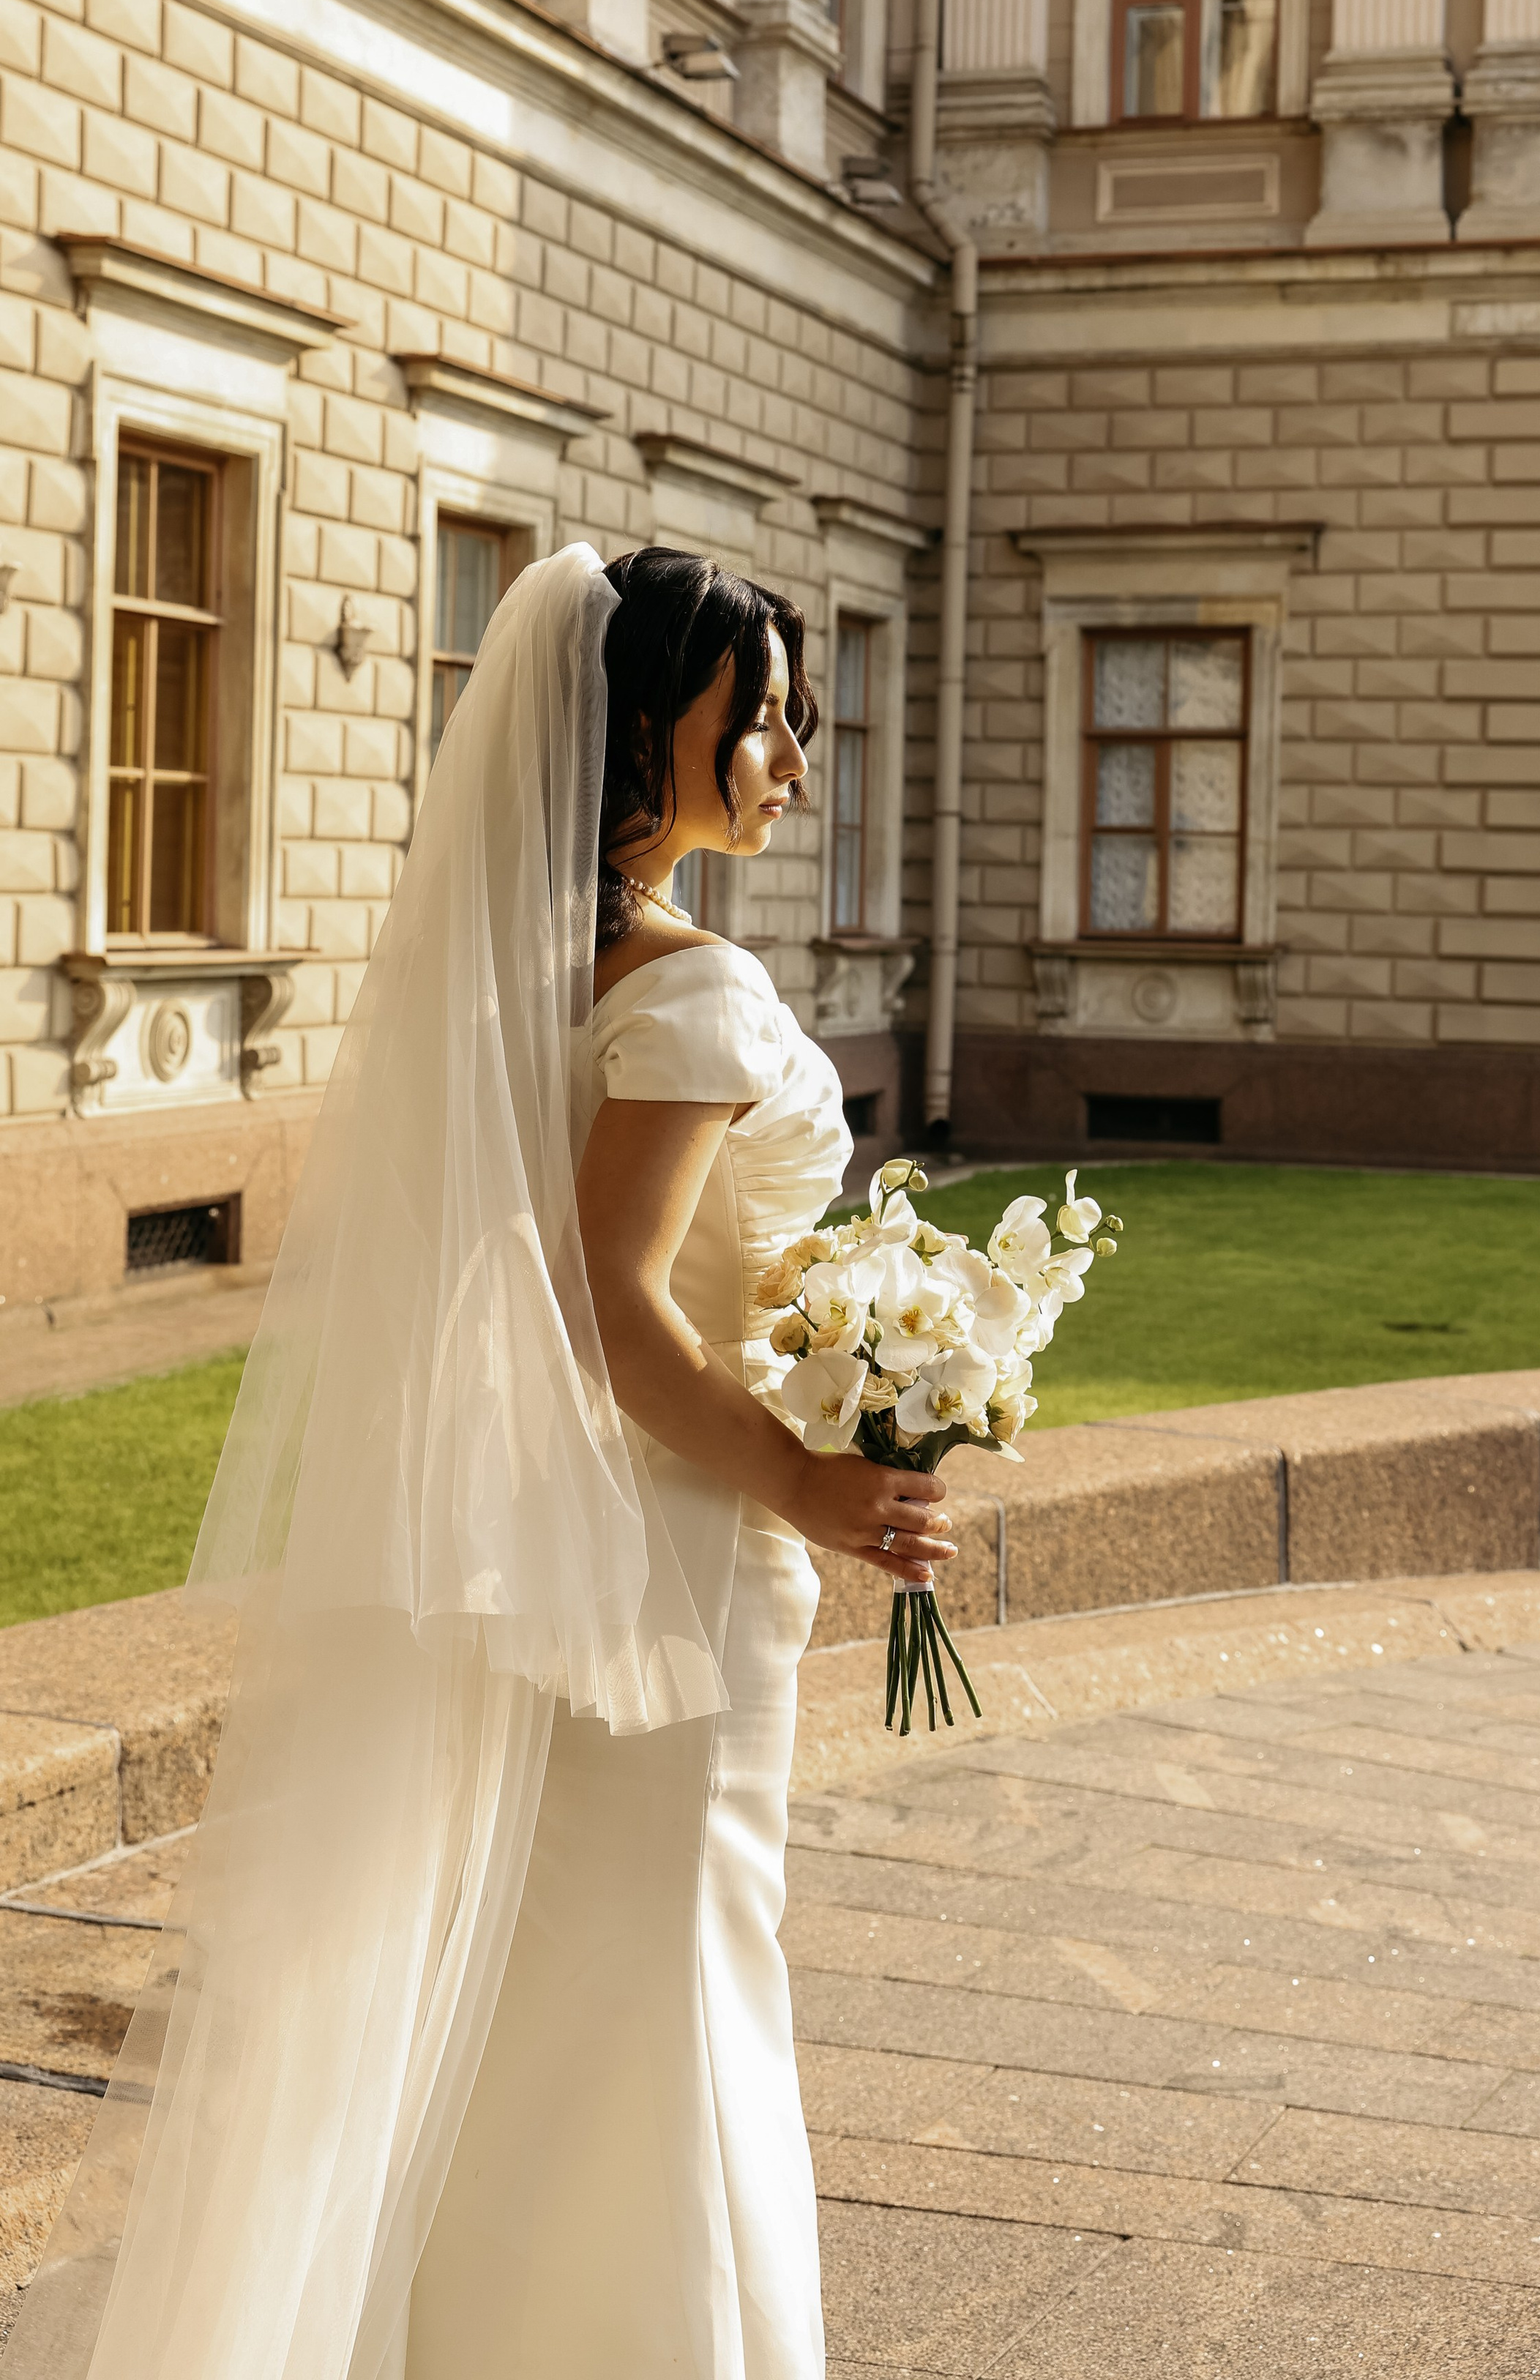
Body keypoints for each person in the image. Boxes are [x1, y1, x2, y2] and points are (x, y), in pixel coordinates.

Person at [4, 543, 952, 2380]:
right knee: (670, 1961)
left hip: (567, 1533)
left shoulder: (532, 973)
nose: (790, 762)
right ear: (642, 732)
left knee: (561, 1969)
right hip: (677, 1544)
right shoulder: (688, 991)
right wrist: (811, 1481)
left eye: (795, 724)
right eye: (756, 721)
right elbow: (611, 1311)